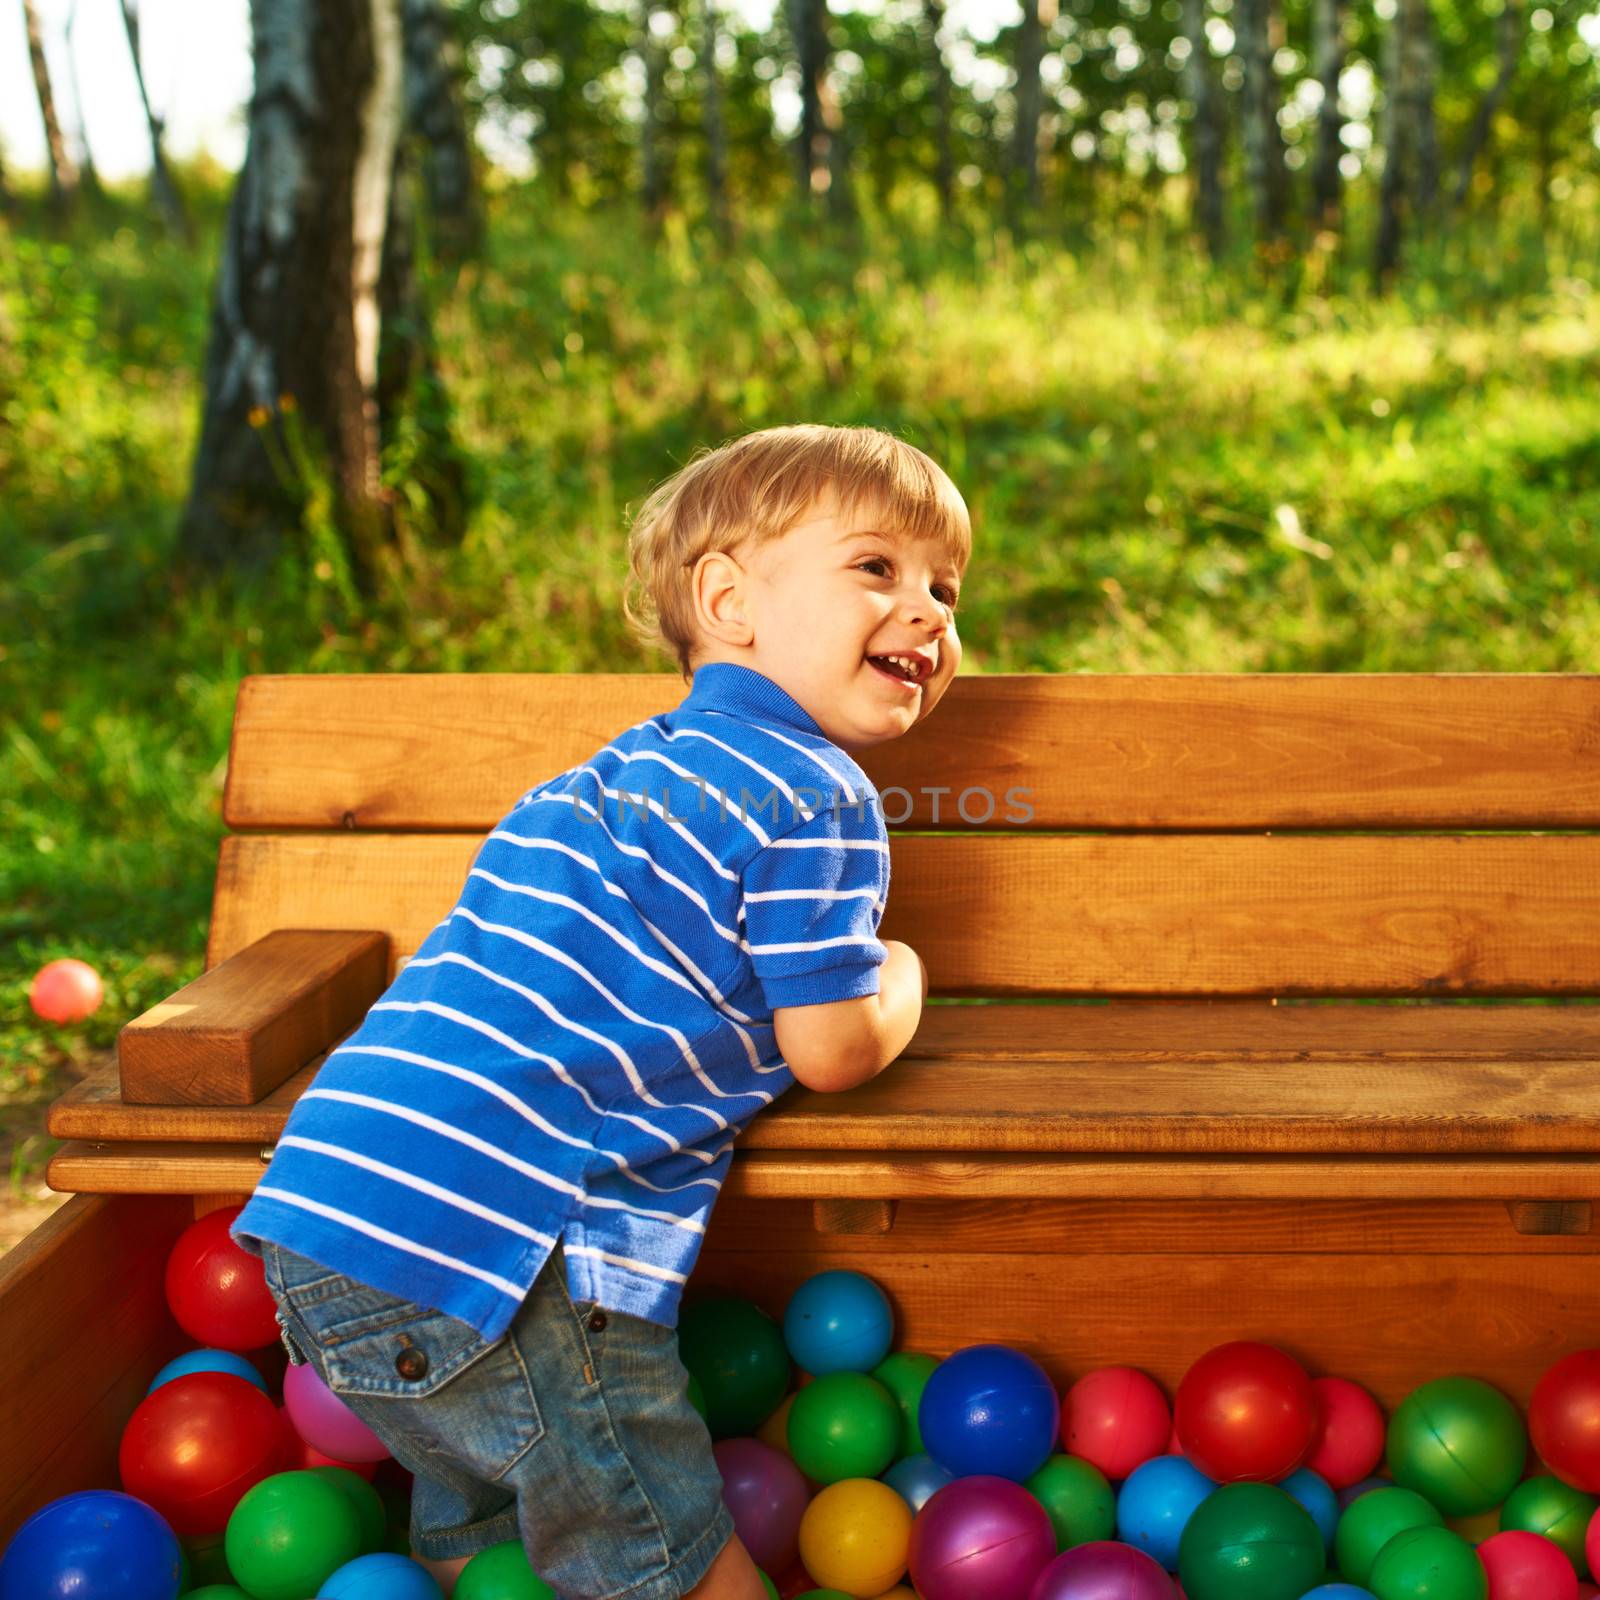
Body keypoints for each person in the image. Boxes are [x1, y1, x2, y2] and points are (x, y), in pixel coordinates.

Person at [232, 422, 971, 1599]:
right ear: (727, 600)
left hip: (321, 1217)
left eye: (946, 587)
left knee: (492, 1514)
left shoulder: (608, 776)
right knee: (663, 1558)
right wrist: (902, 976)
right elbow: (829, 1046)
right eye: (878, 569)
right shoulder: (815, 792)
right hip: (512, 1256)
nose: (929, 611)